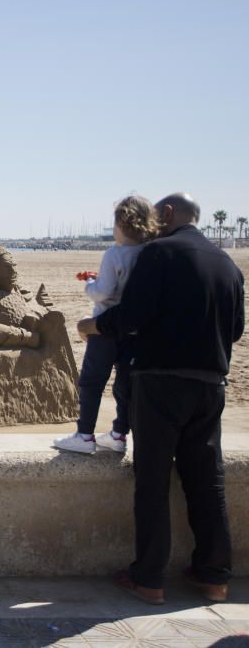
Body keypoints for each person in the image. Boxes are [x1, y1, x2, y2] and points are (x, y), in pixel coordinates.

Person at [77, 192, 244, 605]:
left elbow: (130, 316)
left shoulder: (158, 254)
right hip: (210, 384)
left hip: (159, 383)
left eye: (156, 215)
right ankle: (214, 576)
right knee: (208, 481)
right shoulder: (227, 264)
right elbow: (237, 330)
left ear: (168, 214)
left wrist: (91, 326)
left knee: (151, 480)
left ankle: (149, 577)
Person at [54, 195, 158, 454]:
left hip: (104, 328)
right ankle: (119, 434)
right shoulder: (149, 253)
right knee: (124, 383)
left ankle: (85, 435)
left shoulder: (115, 253)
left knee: (92, 381)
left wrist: (90, 286)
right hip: (134, 331)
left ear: (122, 223)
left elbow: (104, 292)